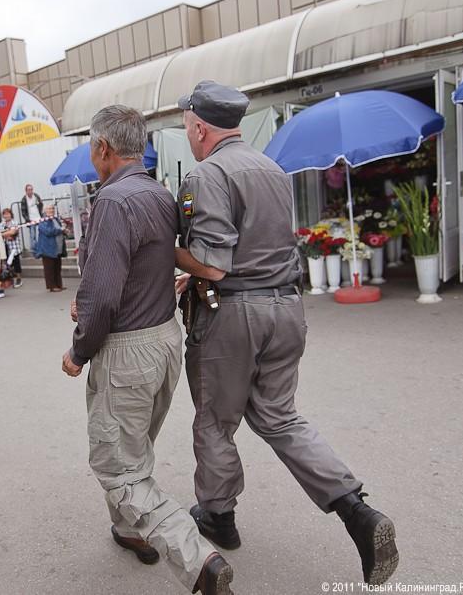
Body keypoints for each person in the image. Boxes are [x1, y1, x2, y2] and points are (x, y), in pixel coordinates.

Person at [174, 81, 398, 586]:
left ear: (201, 128)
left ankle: (219, 516)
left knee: (215, 421)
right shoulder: (271, 167)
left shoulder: (207, 174)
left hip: (235, 316)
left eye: (187, 128)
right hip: (286, 308)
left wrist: (168, 253)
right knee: (281, 417)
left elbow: (213, 264)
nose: (188, 135)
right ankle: (358, 512)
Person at [62, 104, 232, 595]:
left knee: (117, 466)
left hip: (127, 349)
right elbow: (147, 264)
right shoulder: (158, 193)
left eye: (91, 148)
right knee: (134, 446)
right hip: (163, 340)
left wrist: (79, 351)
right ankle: (129, 528)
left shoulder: (114, 201)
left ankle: (198, 559)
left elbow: (104, 295)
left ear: (103, 148)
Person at [33, 203, 65, 292]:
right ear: (44, 211)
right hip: (47, 248)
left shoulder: (55, 219)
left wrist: (63, 230)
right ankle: (52, 286)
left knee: (57, 267)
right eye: (49, 209)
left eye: (52, 209)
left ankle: (59, 284)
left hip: (57, 248)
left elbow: (59, 229)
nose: (51, 210)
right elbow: (48, 231)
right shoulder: (43, 221)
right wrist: (60, 230)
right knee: (49, 268)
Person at [0, 208, 23, 288]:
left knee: (16, 263)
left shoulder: (15, 222)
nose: (6, 216)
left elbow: (13, 232)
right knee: (8, 264)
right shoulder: (1, 224)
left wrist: (5, 233)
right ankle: (10, 280)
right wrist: (7, 234)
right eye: (4, 214)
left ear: (11, 214)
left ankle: (19, 279)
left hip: (14, 247)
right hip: (5, 247)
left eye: (8, 214)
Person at [19, 183, 44, 250]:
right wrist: (27, 219)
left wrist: (41, 213)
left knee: (41, 232)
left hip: (38, 217)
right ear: (26, 191)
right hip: (31, 219)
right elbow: (23, 211)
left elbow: (41, 204)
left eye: (31, 189)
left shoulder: (36, 196)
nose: (30, 191)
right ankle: (34, 249)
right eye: (29, 190)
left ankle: (42, 247)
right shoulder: (24, 199)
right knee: (32, 235)